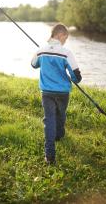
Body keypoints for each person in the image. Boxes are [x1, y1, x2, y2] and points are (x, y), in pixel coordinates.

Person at [31, 23, 82, 165]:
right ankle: (59, 136)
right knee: (60, 114)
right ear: (60, 35)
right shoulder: (66, 53)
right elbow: (76, 76)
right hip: (63, 92)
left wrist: (42, 56)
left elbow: (33, 64)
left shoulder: (41, 51)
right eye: (65, 38)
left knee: (49, 119)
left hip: (46, 92)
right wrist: (74, 79)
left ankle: (50, 155)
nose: (65, 41)